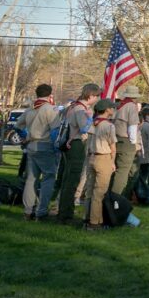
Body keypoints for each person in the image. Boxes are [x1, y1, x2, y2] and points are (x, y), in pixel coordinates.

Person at [56, 83, 99, 223]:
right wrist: (92, 118)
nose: (97, 99)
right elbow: (85, 128)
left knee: (67, 178)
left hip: (70, 144)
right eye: (96, 96)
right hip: (75, 144)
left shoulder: (73, 106)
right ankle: (66, 215)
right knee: (72, 179)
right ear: (91, 95)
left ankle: (63, 212)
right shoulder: (81, 109)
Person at [21, 84, 63, 221]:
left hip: (31, 145)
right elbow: (55, 130)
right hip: (45, 145)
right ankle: (41, 211)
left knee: (31, 179)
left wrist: (25, 137)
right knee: (48, 178)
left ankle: (28, 211)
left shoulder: (30, 109)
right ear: (50, 94)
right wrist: (56, 147)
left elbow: (17, 126)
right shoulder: (50, 109)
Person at [84, 98, 117, 231]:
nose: (113, 110)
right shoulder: (109, 126)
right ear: (107, 109)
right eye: (112, 107)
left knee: (90, 191)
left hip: (92, 157)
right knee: (99, 193)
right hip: (103, 158)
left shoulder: (94, 123)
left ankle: (86, 219)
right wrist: (112, 162)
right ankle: (95, 223)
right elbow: (113, 146)